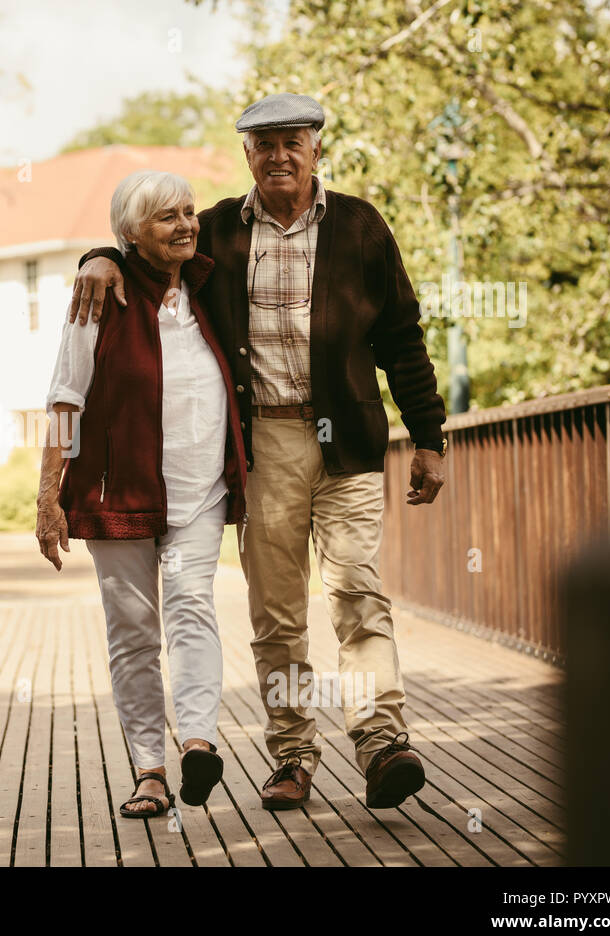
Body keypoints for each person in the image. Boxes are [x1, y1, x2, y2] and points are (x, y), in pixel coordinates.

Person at [67, 93, 448, 811]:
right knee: (278, 614)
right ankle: (294, 752)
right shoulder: (213, 230)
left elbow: (402, 335)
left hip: (351, 439)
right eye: (264, 144)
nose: (279, 155)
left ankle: (381, 742)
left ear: (316, 149)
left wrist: (428, 436)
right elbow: (146, 244)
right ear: (247, 154)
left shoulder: (361, 226)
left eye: (292, 141)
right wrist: (98, 257)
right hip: (262, 444)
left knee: (358, 593)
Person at [35, 170, 248, 817]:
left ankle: (198, 742)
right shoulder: (103, 296)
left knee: (192, 612)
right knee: (133, 632)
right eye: (166, 218)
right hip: (117, 495)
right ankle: (149, 770)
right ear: (130, 234)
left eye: (188, 212)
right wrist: (48, 497)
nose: (186, 225)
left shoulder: (211, 288)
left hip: (198, 494)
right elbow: (64, 401)